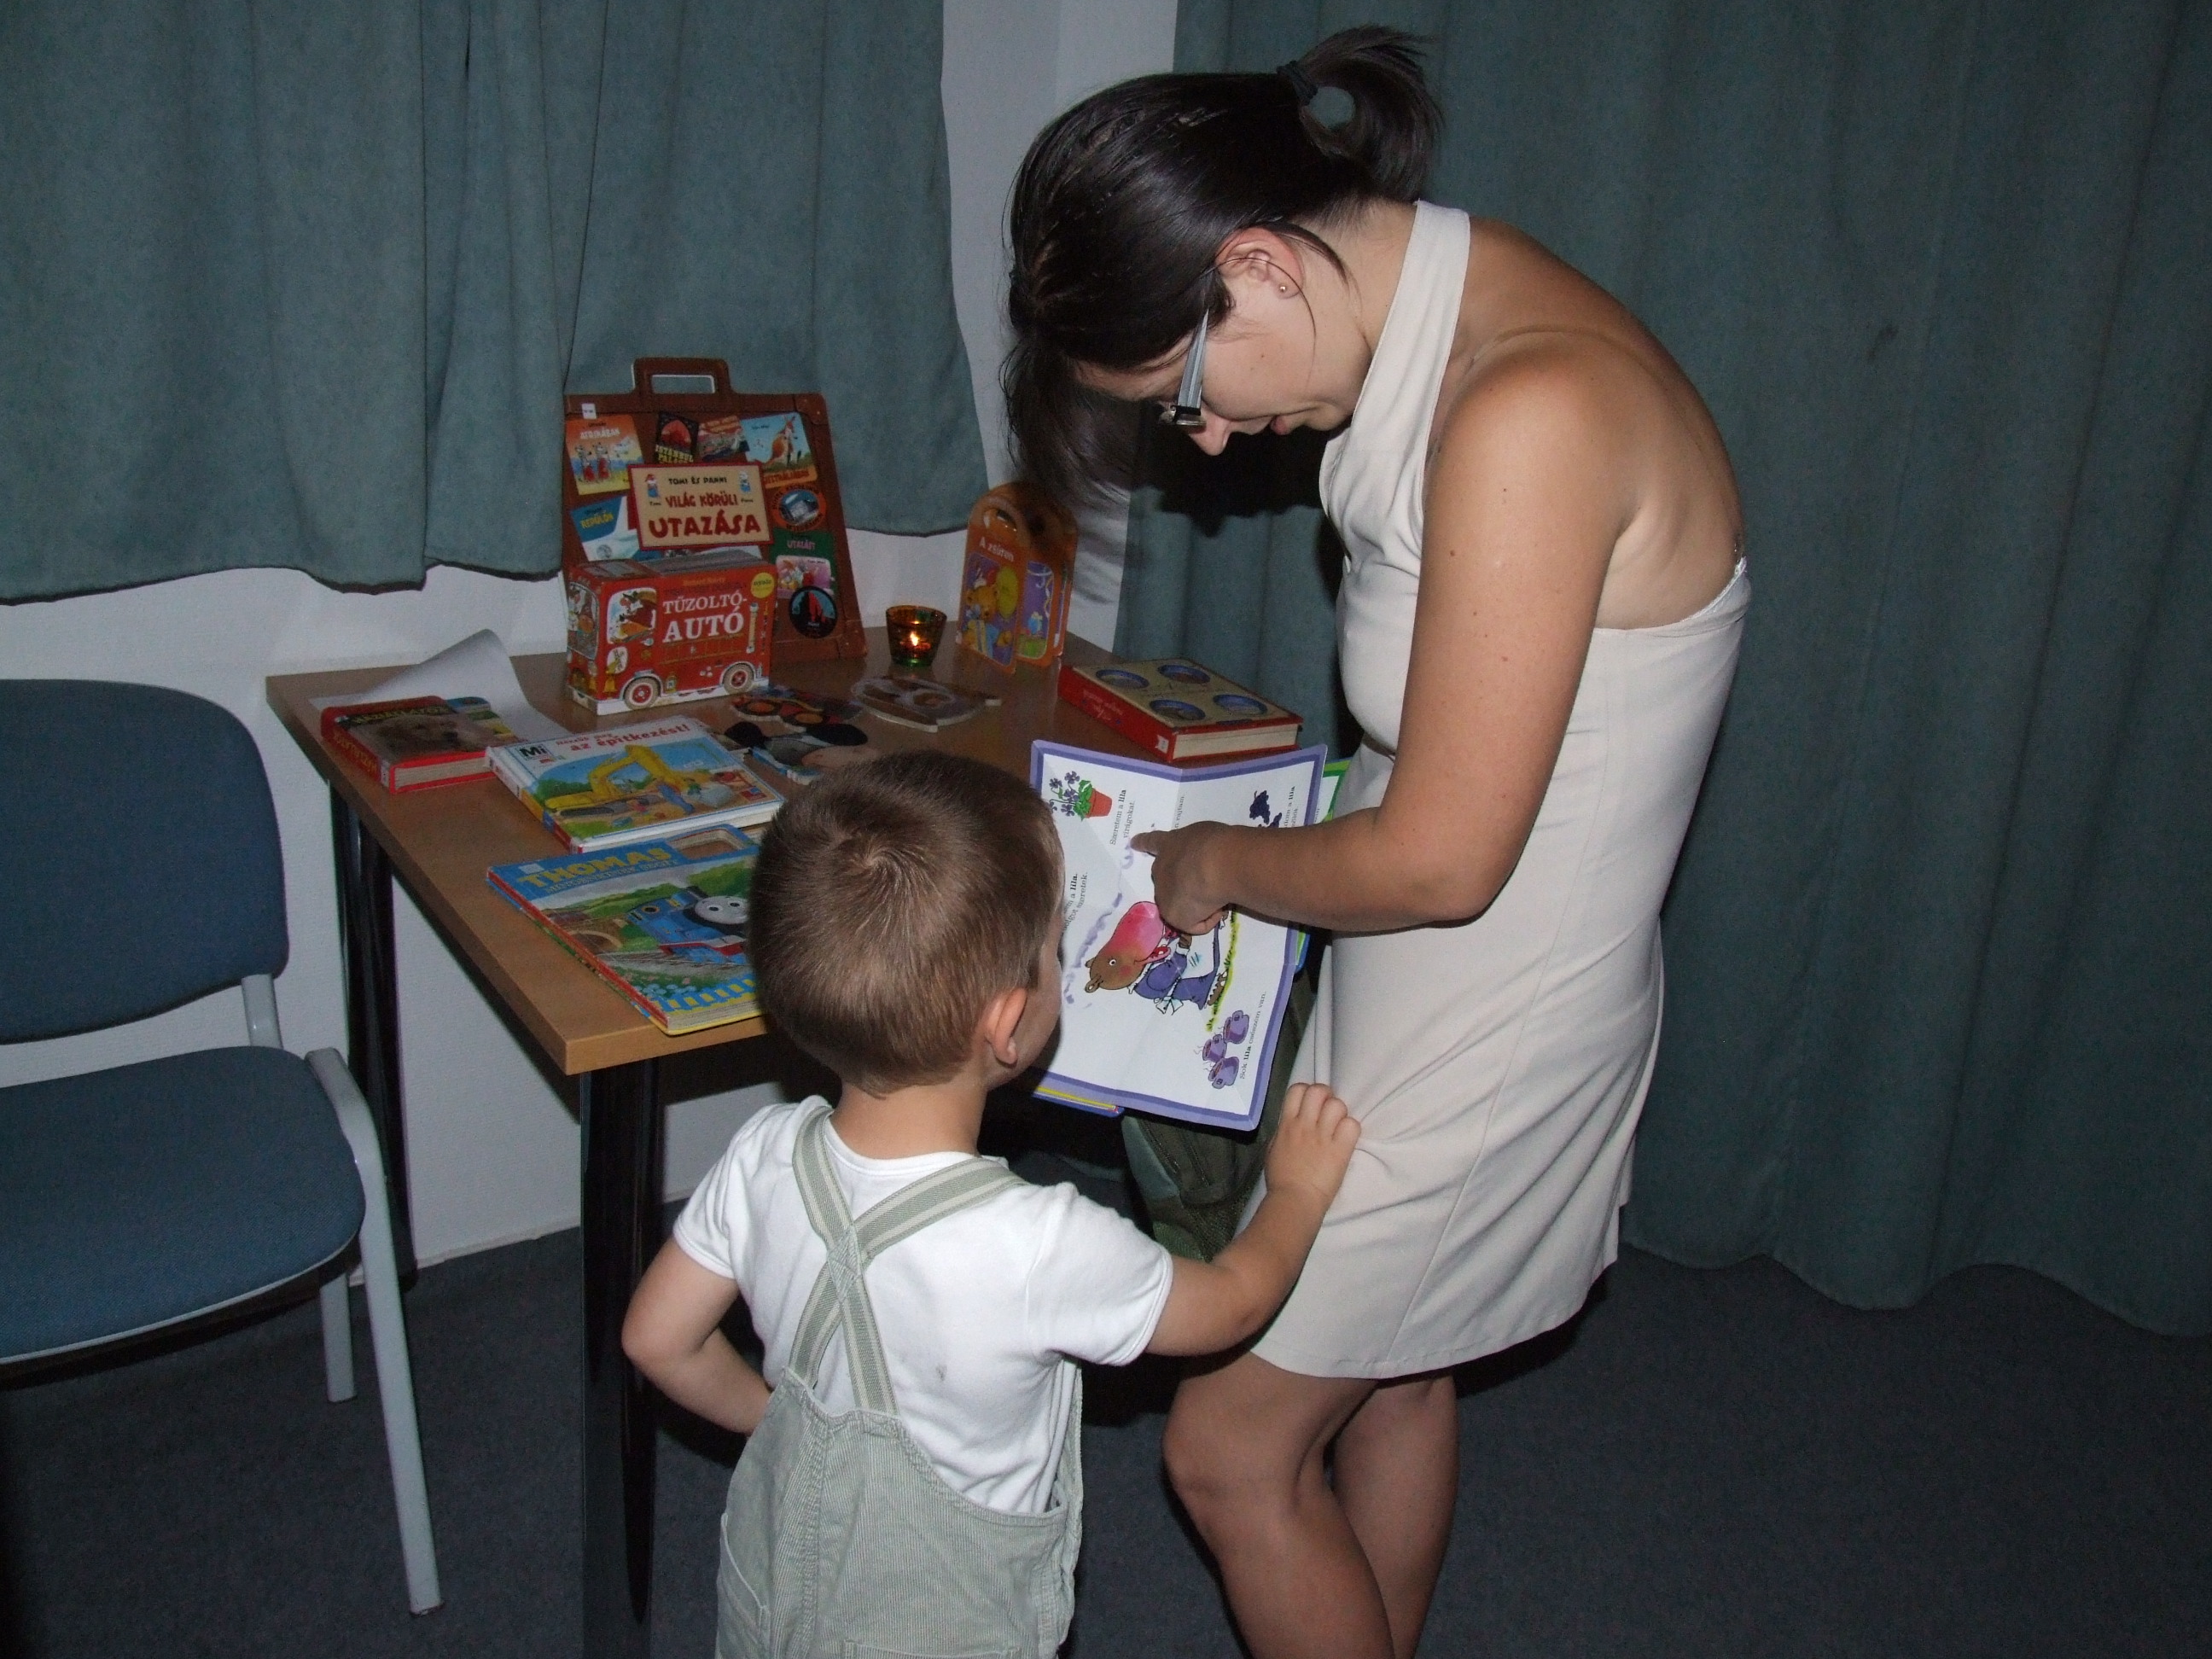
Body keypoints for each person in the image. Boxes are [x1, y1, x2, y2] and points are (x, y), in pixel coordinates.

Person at [1003, 26, 1749, 1659]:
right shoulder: (1440, 312)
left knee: (1226, 1450)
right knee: (1398, 1372)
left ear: (1258, 266)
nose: (1205, 443)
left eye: (1181, 394)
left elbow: (1441, 859)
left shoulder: (1526, 410)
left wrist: (1212, 861)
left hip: (1489, 1017)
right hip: (1429, 983)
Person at [620, 751, 1359, 1659]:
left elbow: (655, 1340)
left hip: (776, 1595)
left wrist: (775, 1423)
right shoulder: (1040, 1243)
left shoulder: (765, 1154)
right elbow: (1232, 1305)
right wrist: (1298, 1189)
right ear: (1008, 1025)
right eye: (1057, 947)